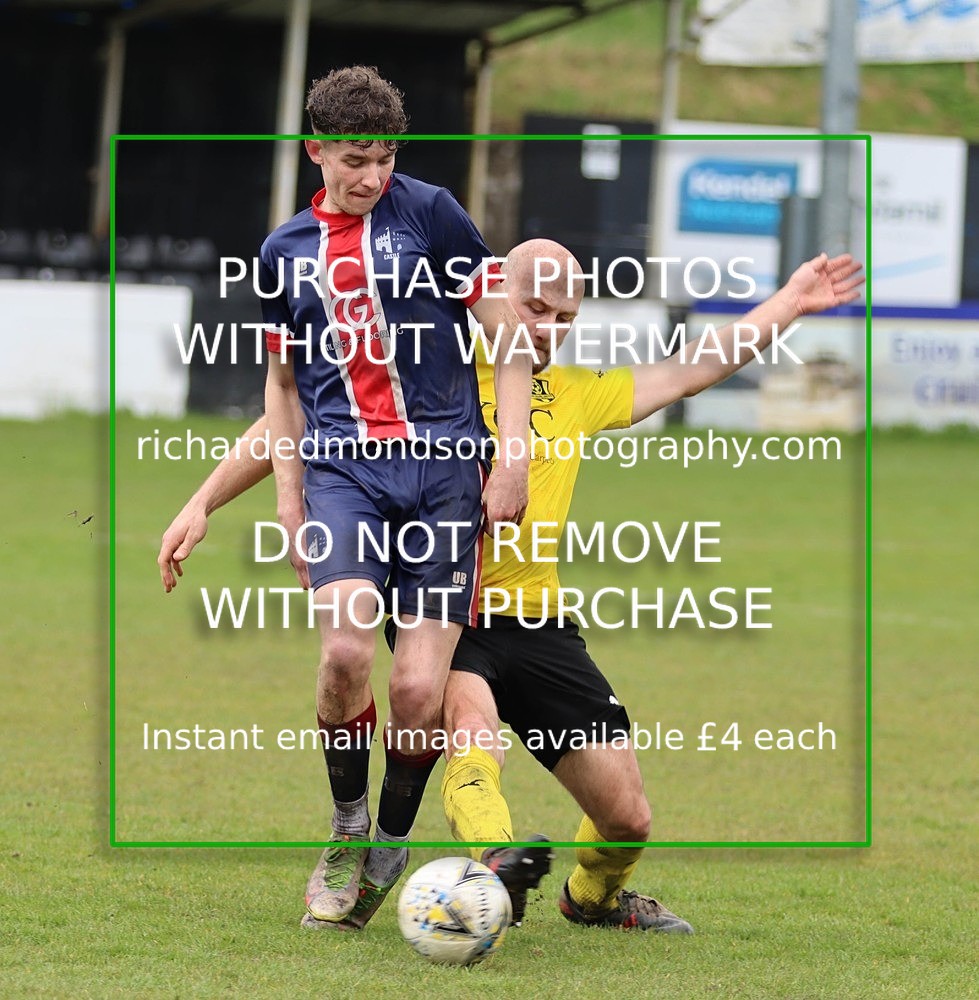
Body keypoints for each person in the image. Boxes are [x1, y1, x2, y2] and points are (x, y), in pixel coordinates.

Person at [159, 239, 863, 932]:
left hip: (538, 623)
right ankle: (493, 865)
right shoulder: (428, 373)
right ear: (494, 295)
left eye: (564, 318)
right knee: (473, 734)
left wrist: (791, 301)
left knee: (627, 817)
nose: (547, 330)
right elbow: (289, 420)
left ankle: (592, 896)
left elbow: (694, 368)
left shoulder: (578, 392)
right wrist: (201, 502)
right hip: (442, 607)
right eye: (534, 308)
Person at [255, 66, 532, 927]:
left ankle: (390, 841)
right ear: (316, 151)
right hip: (344, 473)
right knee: (344, 653)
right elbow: (282, 382)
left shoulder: (432, 213)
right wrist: (290, 495)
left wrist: (512, 454)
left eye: (382, 158)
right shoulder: (282, 252)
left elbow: (511, 338)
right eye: (352, 159)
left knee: (417, 692)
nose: (370, 175)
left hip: (445, 474)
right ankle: (345, 830)